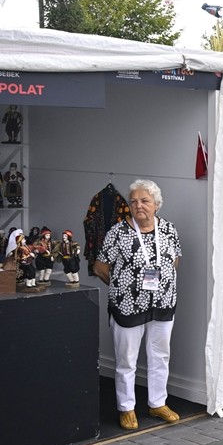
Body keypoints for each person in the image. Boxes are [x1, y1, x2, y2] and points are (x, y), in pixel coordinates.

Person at [92, 179, 183, 430]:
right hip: (128, 307)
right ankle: (127, 408)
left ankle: (157, 403)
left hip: (163, 303)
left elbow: (174, 260)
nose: (138, 205)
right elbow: (99, 267)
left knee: (160, 356)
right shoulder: (117, 232)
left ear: (156, 204)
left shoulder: (168, 229)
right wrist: (124, 286)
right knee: (126, 360)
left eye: (144, 201)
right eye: (133, 201)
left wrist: (160, 282)